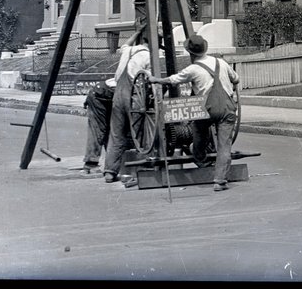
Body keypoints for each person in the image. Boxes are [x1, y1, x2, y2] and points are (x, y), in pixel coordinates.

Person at [153, 34, 240, 192]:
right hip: (227, 108)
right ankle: (220, 180)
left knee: (198, 132)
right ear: (205, 49)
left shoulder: (193, 69)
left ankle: (201, 160)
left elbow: (174, 80)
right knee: (224, 145)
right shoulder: (221, 62)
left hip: (207, 108)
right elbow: (236, 79)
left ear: (191, 53)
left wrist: (157, 80)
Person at [102, 34, 150, 184]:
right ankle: (142, 170)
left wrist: (137, 31)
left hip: (118, 94)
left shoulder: (129, 50)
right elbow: (149, 81)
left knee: (116, 134)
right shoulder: (148, 56)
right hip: (134, 97)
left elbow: (124, 44)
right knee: (140, 135)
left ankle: (110, 171)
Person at [81, 78, 115, 173]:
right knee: (98, 130)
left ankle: (111, 163)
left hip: (108, 98)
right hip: (98, 97)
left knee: (111, 130)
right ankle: (91, 163)